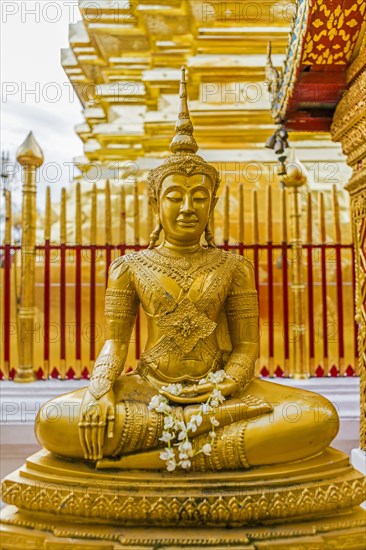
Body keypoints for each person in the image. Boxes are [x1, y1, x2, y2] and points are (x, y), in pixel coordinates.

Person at [36, 68, 339, 471]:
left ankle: (150, 458)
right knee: (54, 421)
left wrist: (224, 386)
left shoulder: (234, 266)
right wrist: (100, 390)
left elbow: (247, 346)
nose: (186, 208)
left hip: (225, 391)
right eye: (174, 196)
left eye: (199, 198)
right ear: (156, 203)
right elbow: (115, 342)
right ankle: (203, 446)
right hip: (148, 390)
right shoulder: (128, 267)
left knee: (318, 415)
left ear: (211, 205)